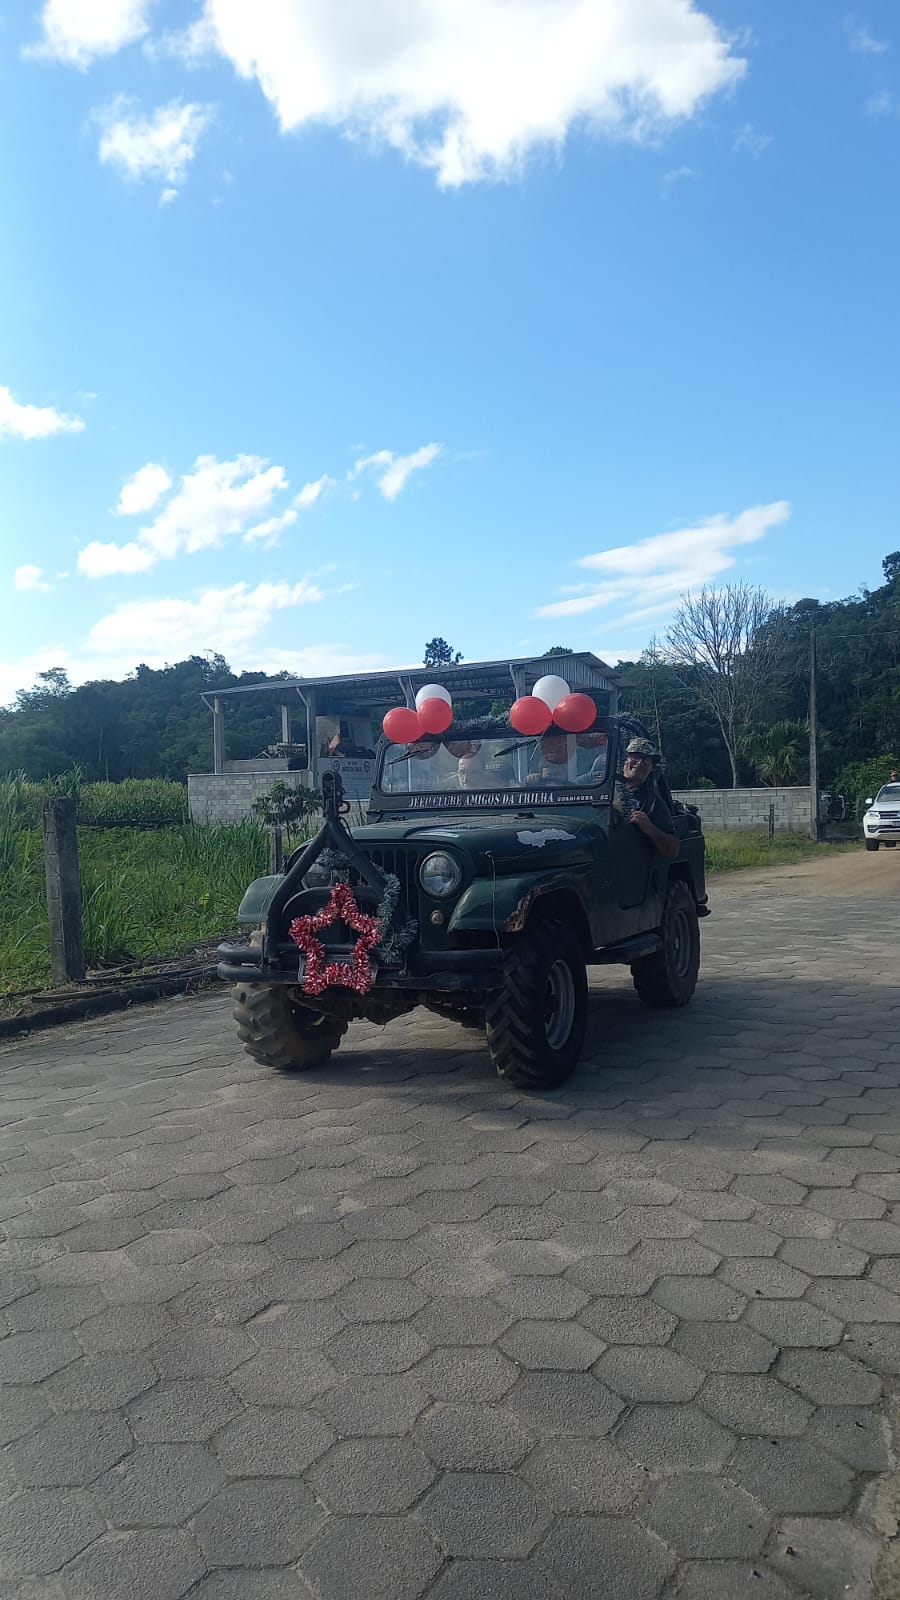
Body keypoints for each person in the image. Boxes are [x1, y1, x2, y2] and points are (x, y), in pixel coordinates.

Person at [616, 737, 679, 861]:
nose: (639, 763)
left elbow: (674, 850)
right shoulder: (602, 785)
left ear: (652, 768)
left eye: (647, 760)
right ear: (624, 759)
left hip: (630, 864)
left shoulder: (653, 802)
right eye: (635, 756)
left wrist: (650, 828)